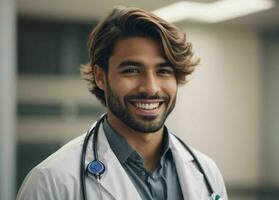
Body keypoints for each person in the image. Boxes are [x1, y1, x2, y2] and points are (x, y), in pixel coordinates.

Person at [17, 6, 228, 200]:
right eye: (132, 70)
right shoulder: (51, 182)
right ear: (101, 77)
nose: (151, 87)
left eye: (163, 71)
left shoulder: (207, 173)